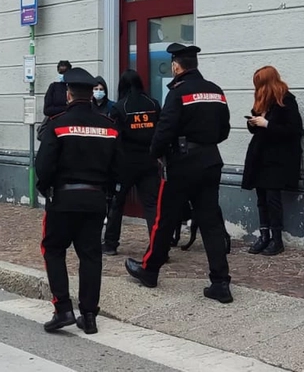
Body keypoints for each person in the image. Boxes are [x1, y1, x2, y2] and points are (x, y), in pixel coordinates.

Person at [125, 43, 234, 304]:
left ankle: (150, 271)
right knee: (211, 223)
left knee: (164, 220)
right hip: (210, 161)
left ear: (176, 66)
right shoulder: (215, 91)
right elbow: (224, 130)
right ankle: (220, 282)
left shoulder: (177, 92)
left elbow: (165, 130)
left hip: (181, 165)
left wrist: (154, 154)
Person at [35, 67, 117, 335]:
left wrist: (43, 188)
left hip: (63, 198)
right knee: (91, 256)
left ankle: (63, 309)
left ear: (68, 94)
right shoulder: (109, 126)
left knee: (54, 249)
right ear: (93, 94)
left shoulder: (58, 124)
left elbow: (44, 164)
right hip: (95, 199)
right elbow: (119, 166)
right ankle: (89, 315)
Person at [242, 65, 304, 256]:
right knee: (261, 198)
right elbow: (255, 128)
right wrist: (253, 122)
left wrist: (267, 124)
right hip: (260, 156)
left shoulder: (286, 100)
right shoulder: (263, 100)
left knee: (272, 199)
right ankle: (264, 236)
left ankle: (276, 239)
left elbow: (294, 130)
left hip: (277, 158)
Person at [103, 69, 161, 256]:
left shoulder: (120, 107)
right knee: (152, 206)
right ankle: (158, 246)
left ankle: (111, 244)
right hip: (149, 161)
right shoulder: (153, 104)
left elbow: (114, 138)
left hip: (125, 164)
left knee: (117, 204)